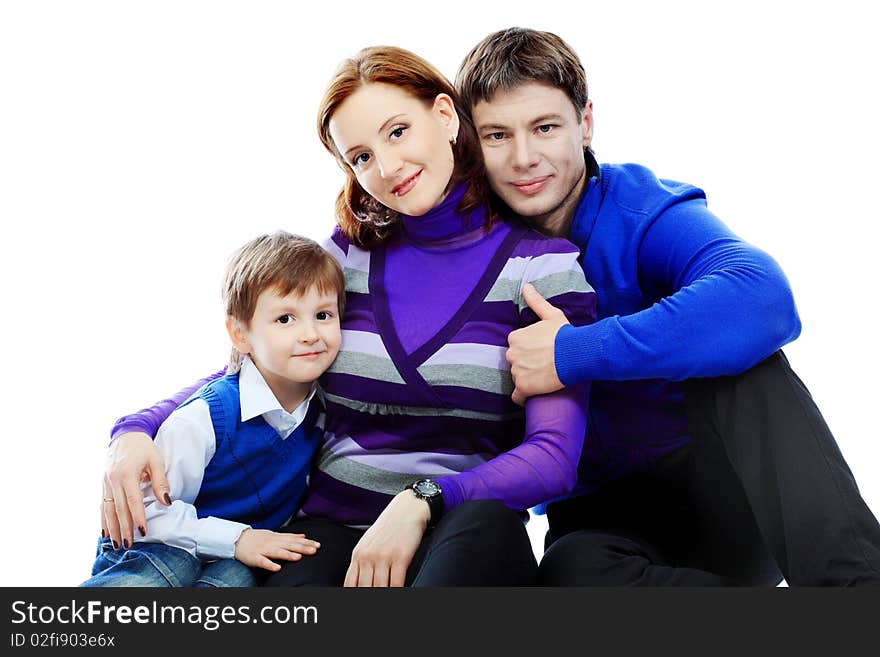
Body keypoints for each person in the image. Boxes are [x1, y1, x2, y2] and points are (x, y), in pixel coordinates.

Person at [98, 46, 597, 587]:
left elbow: (553, 457)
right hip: (330, 529)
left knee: (479, 540)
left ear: (446, 116)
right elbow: (257, 366)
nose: (386, 168)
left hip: (465, 525)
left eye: (398, 131)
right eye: (360, 156)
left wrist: (423, 500)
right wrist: (136, 428)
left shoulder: (542, 268)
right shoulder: (343, 258)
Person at [454, 27, 880, 585]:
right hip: (603, 517)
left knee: (747, 363)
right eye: (496, 135)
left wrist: (571, 353)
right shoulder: (469, 251)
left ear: (585, 124)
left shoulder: (638, 209)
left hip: (722, 494)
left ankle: (857, 595)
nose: (524, 158)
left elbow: (762, 296)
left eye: (545, 127)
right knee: (567, 570)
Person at [83, 232, 337, 587]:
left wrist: (239, 545)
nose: (311, 334)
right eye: (285, 319)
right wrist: (236, 540)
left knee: (235, 583)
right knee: (161, 574)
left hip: (236, 554)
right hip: (155, 545)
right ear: (240, 334)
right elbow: (149, 516)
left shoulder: (326, 406)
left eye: (323, 314)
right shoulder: (204, 418)